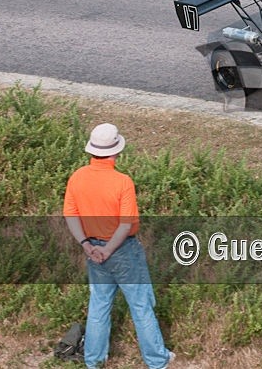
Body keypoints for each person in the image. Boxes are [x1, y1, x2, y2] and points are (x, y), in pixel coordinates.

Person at [63, 123, 175, 369]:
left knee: (99, 304)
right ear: (116, 151)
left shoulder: (77, 177)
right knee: (141, 305)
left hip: (92, 249)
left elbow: (70, 215)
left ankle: (94, 360)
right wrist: (108, 249)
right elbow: (125, 226)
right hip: (122, 250)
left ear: (92, 150)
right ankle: (157, 360)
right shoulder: (122, 182)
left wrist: (86, 245)